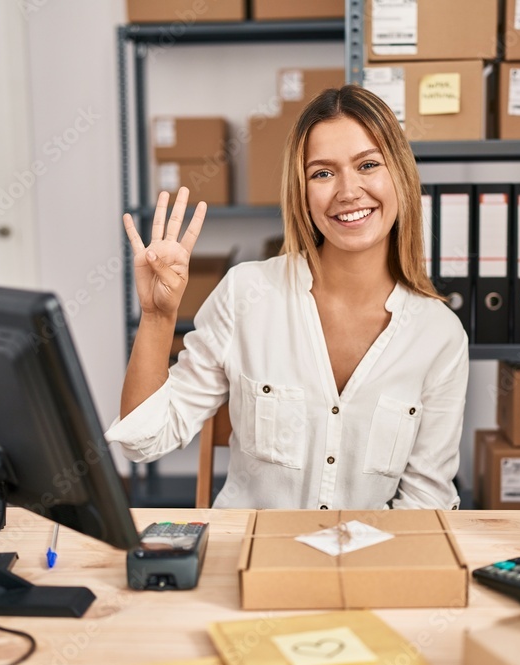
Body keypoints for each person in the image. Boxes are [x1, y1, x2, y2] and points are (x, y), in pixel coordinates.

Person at [105, 85, 469, 510]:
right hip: (249, 558)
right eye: (322, 173)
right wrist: (156, 316)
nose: (348, 191)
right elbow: (143, 441)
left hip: (363, 565)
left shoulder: (440, 336)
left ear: (401, 177)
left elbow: (426, 502)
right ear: (302, 192)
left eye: (368, 165)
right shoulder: (247, 295)